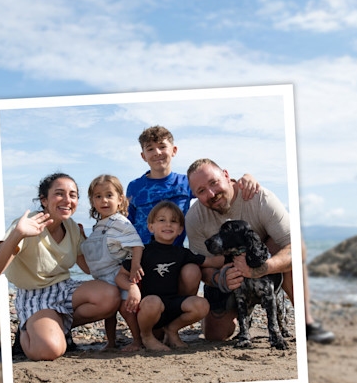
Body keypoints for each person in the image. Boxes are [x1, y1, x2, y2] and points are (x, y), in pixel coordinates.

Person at [185, 158, 335, 344]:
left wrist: (263, 268)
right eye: (201, 191)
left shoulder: (260, 197)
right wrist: (219, 278)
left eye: (214, 183)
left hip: (266, 265)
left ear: (226, 175)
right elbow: (203, 266)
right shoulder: (194, 218)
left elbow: (298, 248)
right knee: (215, 335)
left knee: (285, 248)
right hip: (230, 275)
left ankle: (308, 323)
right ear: (194, 194)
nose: (212, 193)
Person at [0, 173, 119, 361]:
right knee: (50, 350)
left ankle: (57, 326)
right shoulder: (28, 225)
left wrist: (95, 241)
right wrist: (18, 235)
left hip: (63, 287)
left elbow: (89, 269)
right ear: (44, 200)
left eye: (73, 195)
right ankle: (26, 332)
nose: (67, 200)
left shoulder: (71, 227)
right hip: (34, 294)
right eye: (59, 194)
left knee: (111, 296)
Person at [126, 125, 261, 298]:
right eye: (150, 149)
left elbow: (217, 187)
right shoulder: (134, 186)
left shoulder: (184, 182)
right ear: (143, 156)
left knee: (192, 272)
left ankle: (178, 311)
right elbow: (128, 220)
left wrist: (246, 177)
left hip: (174, 254)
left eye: (162, 146)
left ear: (174, 150)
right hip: (144, 254)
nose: (157, 152)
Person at [116, 201, 219, 351]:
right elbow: (120, 276)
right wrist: (132, 287)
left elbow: (211, 261)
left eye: (174, 221)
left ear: (180, 230)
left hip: (173, 305)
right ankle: (146, 336)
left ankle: (171, 329)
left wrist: (235, 259)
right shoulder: (143, 253)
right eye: (162, 220)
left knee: (202, 304)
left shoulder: (182, 253)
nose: (168, 225)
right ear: (151, 227)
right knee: (153, 301)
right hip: (149, 309)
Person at [80, 174, 144, 351]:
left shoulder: (120, 222)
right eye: (98, 196)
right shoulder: (99, 225)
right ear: (92, 201)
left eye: (109, 195)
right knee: (109, 313)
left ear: (120, 199)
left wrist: (135, 266)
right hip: (101, 278)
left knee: (126, 309)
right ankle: (111, 342)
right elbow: (94, 248)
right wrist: (82, 238)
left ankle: (137, 340)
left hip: (118, 275)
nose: (104, 200)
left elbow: (137, 244)